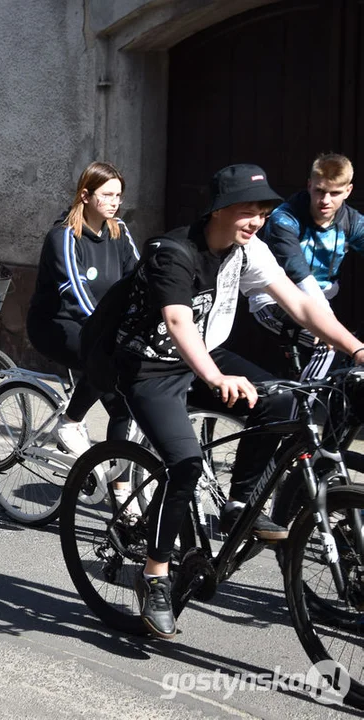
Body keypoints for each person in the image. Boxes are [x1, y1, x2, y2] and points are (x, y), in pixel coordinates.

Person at [112, 164, 364, 640]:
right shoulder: (174, 251)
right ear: (219, 210)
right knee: (183, 464)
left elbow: (302, 304)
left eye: (264, 212)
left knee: (283, 403)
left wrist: (356, 349)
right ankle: (156, 576)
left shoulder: (248, 249)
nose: (257, 220)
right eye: (248, 211)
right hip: (151, 365)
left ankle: (240, 501)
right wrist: (213, 375)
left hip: (206, 353)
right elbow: (177, 320)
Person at [26, 161, 139, 512]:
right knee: (102, 357)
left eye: (118, 195)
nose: (114, 202)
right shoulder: (63, 235)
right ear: (85, 195)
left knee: (124, 405)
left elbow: (139, 278)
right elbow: (75, 289)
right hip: (55, 324)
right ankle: (71, 422)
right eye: (107, 195)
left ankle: (122, 493)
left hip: (101, 327)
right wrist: (111, 331)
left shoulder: (118, 230)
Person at [249, 153, 364, 379]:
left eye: (335, 193)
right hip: (273, 302)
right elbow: (298, 272)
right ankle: (305, 411)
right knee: (332, 344)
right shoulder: (284, 218)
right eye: (320, 190)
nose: (325, 200)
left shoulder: (352, 221)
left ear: (348, 191)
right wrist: (327, 322)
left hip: (318, 304)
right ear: (309, 185)